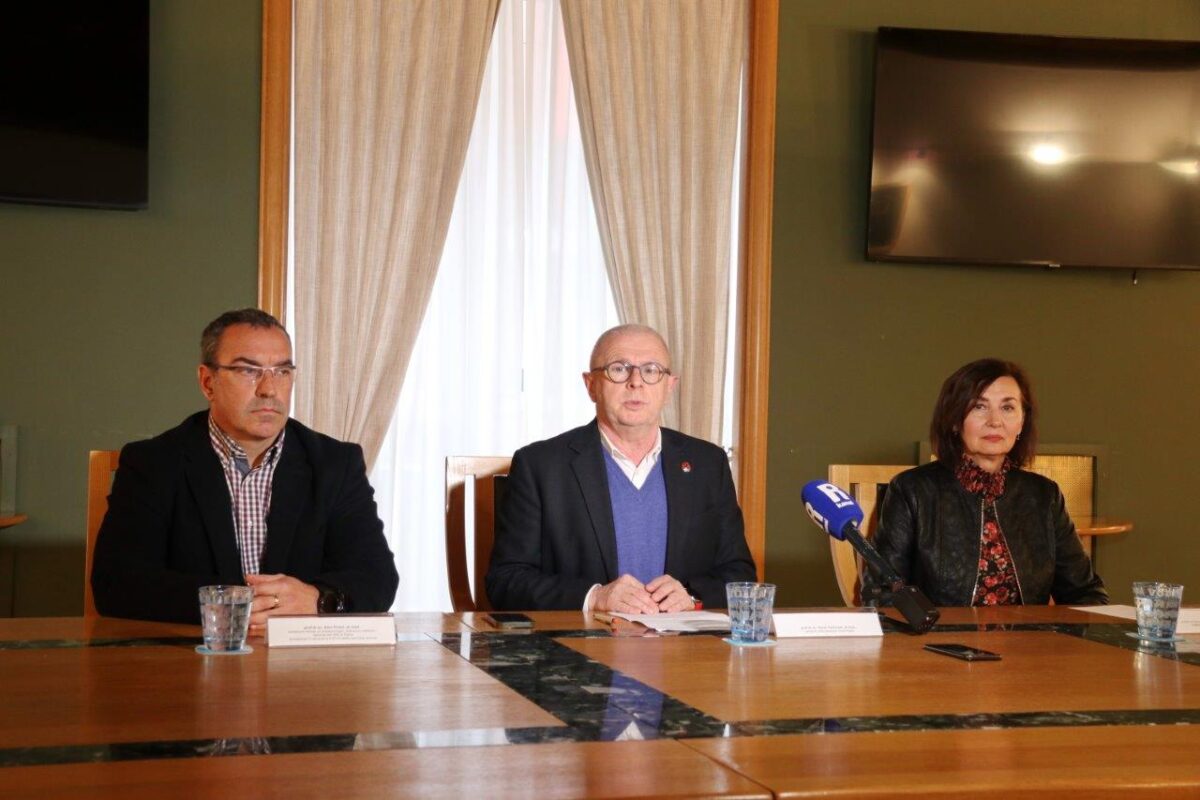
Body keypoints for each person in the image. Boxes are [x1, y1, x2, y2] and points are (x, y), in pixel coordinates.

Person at [91, 308, 399, 626]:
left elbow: (377, 577)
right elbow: (116, 584)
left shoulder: (336, 463)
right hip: (195, 650)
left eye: (282, 371)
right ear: (207, 382)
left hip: (301, 653)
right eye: (248, 371)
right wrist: (237, 604)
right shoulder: (153, 463)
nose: (269, 389)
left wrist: (319, 600)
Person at [485, 324, 756, 613]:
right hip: (583, 639)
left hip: (681, 638)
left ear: (669, 387)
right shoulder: (540, 466)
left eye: (651, 370)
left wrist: (692, 597)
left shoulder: (708, 464)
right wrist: (595, 597)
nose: (635, 382)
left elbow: (740, 574)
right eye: (618, 369)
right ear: (591, 385)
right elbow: (505, 580)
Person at [866, 358, 1108, 607]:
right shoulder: (911, 491)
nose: (995, 421)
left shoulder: (1044, 495)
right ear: (954, 420)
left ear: (1022, 422)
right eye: (979, 407)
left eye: (1008, 407)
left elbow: (1086, 593)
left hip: (1030, 633)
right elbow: (881, 595)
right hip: (938, 633)